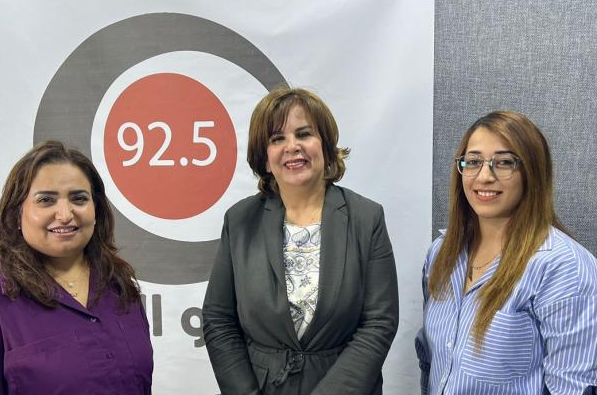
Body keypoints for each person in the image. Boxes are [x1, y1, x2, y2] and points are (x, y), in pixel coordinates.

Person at [202, 87, 399, 395]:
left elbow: (379, 323)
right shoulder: (239, 221)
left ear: (326, 146)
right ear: (265, 159)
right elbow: (218, 319)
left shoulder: (366, 218)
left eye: (304, 134)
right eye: (277, 139)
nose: (292, 147)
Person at [0, 141, 152, 395]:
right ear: (16, 214)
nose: (65, 214)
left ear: (96, 211)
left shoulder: (118, 284)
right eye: (46, 200)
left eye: (79, 198)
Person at [416, 111, 597, 394]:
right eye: (473, 162)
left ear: (532, 172)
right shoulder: (442, 254)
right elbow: (431, 363)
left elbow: (571, 387)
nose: (484, 176)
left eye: (504, 162)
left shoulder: (564, 268)